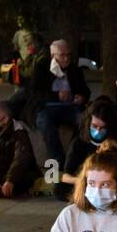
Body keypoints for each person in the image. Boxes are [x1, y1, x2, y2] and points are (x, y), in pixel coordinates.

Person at [29, 38, 91, 167]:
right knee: (45, 123)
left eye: (68, 55)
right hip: (47, 107)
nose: (66, 58)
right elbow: (35, 92)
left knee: (83, 121)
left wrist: (82, 97)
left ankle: (76, 158)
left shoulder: (74, 70)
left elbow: (85, 90)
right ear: (53, 56)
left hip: (70, 107)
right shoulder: (42, 68)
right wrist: (56, 95)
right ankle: (58, 160)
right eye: (62, 55)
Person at [58, 98, 117, 200]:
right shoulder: (79, 142)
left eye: (102, 128)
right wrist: (87, 182)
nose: (98, 130)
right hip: (84, 182)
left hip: (108, 184)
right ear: (89, 123)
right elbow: (66, 176)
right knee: (61, 189)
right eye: (94, 126)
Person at [0, 102, 41, 198]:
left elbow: (21, 159)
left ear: (5, 119)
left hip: (16, 174)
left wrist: (10, 180)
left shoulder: (19, 133)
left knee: (25, 180)